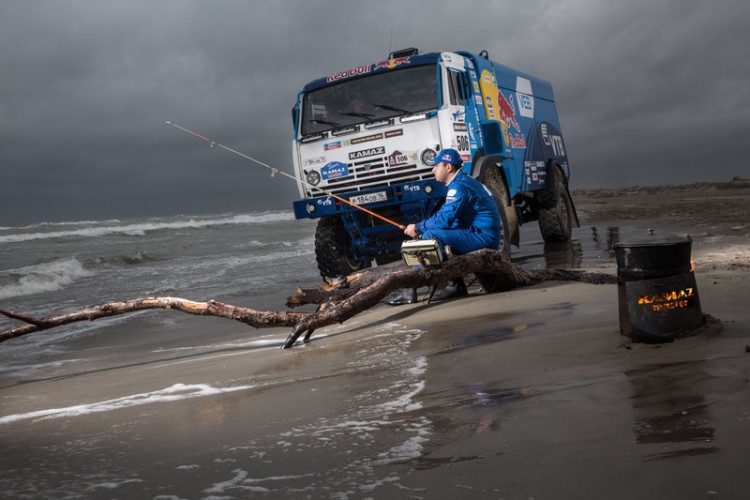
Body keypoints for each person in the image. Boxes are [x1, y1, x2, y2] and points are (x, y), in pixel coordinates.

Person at [385, 148, 501, 305]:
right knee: (431, 234)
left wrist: (418, 227)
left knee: (430, 236)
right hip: (479, 234)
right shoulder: (463, 182)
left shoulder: (459, 187)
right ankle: (448, 286)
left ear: (448, 167)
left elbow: (444, 219)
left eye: (436, 165)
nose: (433, 169)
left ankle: (440, 286)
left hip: (483, 238)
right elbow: (449, 219)